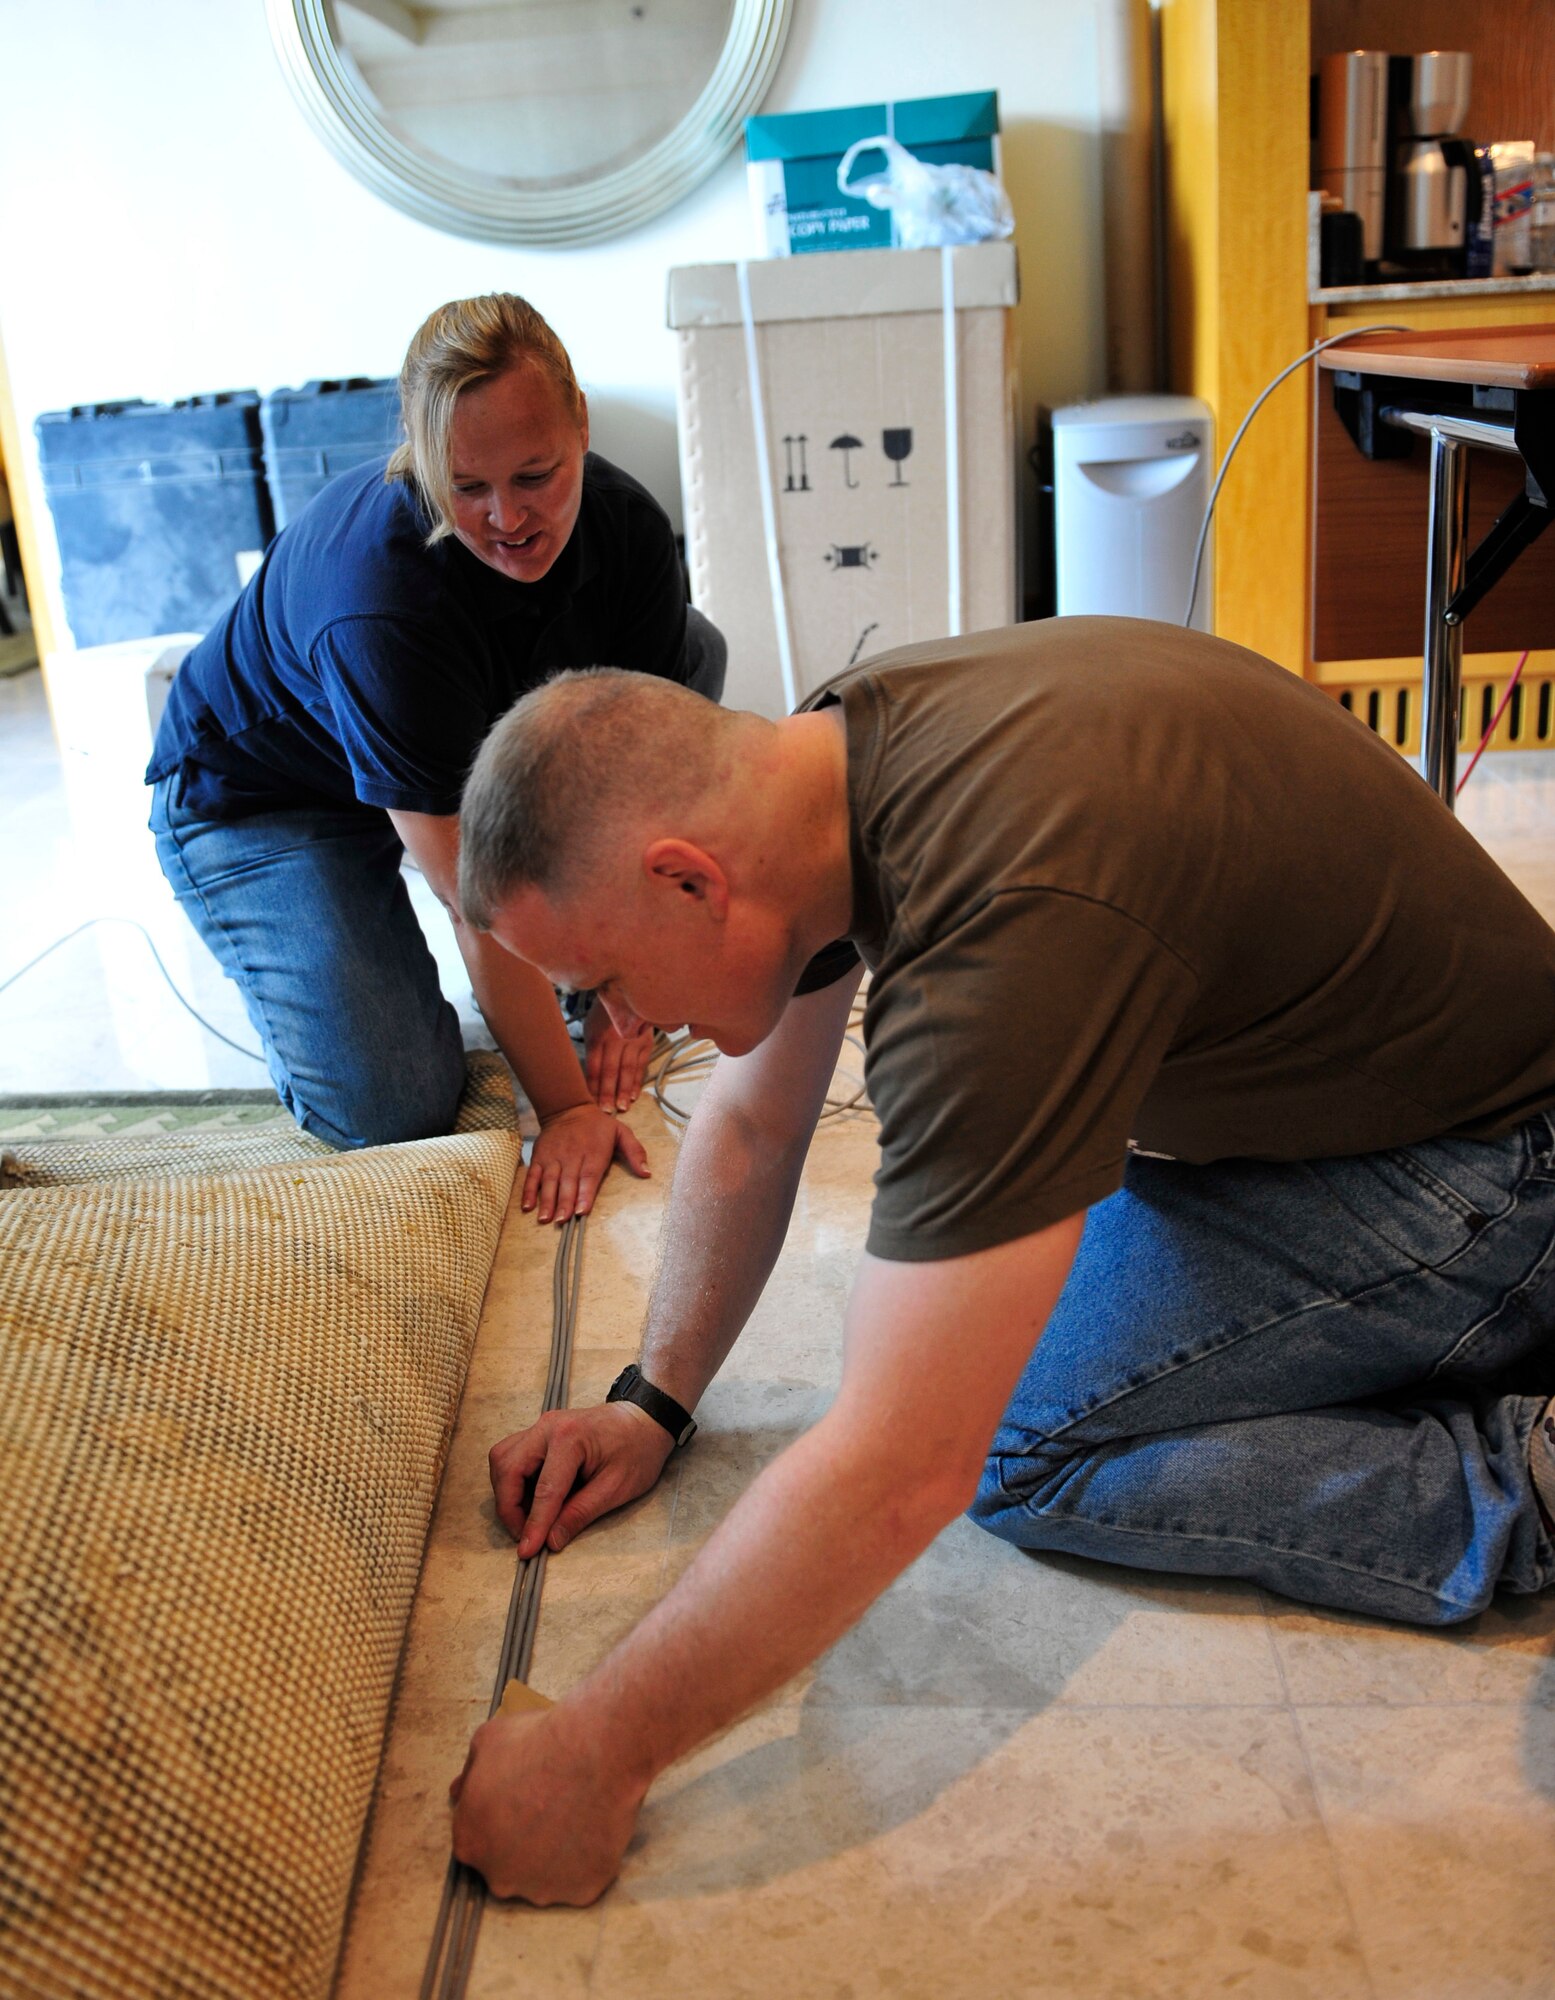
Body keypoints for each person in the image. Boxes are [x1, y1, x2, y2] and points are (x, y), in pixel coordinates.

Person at [443, 618, 1555, 1903]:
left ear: (689, 880)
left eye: (605, 980)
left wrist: (592, 1756)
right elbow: (751, 1122)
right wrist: (653, 1401)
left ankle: (1521, 1479)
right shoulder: (823, 765)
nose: (620, 1028)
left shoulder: (1002, 929)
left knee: (1014, 1439)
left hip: (1493, 1169)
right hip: (1359, 1097)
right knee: (950, 1306)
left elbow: (904, 1466)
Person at [146, 292, 725, 1224]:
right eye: (467, 488)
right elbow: (476, 902)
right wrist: (567, 1106)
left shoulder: (629, 530)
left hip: (461, 741)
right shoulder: (380, 600)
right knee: (397, 1105)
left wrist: (631, 980)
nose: (508, 517)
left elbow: (643, 777)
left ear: (580, 423)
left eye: (536, 475)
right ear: (420, 462)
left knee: (686, 658)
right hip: (271, 799)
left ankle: (548, 974)